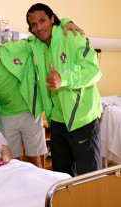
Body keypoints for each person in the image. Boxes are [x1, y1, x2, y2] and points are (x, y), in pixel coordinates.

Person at [0, 21, 84, 168]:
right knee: (13, 162)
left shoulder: (13, 50)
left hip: (30, 112)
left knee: (37, 160)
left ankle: (42, 187)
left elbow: (37, 37)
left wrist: (64, 23)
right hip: (5, 118)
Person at [26, 3, 102, 176]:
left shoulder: (73, 37)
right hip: (58, 122)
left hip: (83, 120)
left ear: (52, 19)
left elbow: (94, 72)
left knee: (89, 179)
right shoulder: (36, 45)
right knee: (63, 179)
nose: (39, 27)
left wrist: (64, 80)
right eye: (33, 24)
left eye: (42, 21)